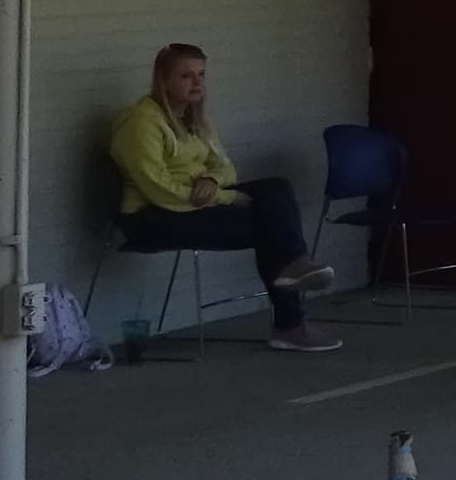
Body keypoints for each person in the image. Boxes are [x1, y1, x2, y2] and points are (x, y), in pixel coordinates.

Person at [108, 43, 340, 353]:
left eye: (202, 75)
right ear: (164, 81)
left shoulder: (197, 119)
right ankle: (290, 320)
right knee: (270, 226)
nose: (197, 83)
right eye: (186, 76)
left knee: (276, 188)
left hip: (193, 206)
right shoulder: (141, 122)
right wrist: (224, 197)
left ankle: (294, 267)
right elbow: (157, 188)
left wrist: (211, 179)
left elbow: (226, 168)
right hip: (150, 217)